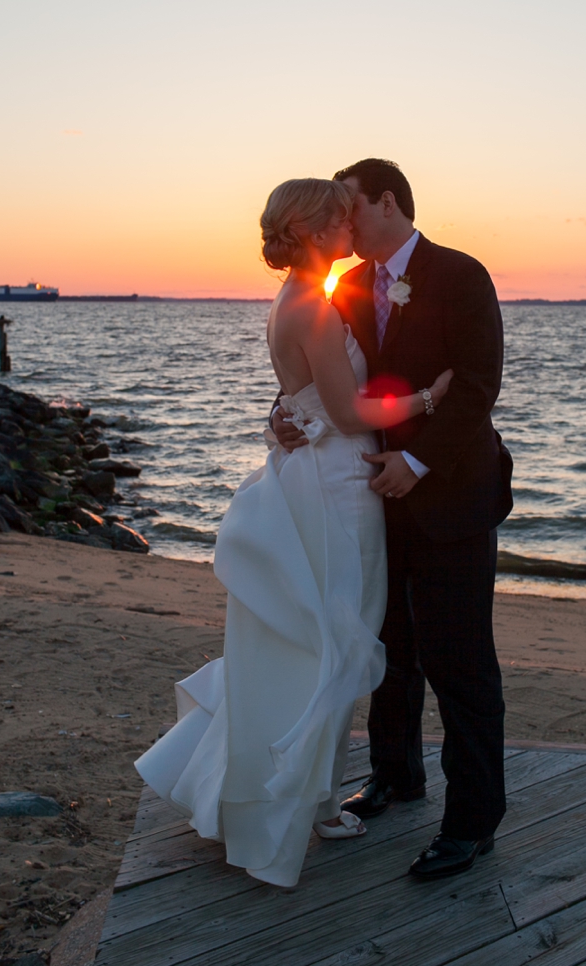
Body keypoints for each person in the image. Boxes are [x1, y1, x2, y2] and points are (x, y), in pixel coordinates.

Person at [135, 177, 452, 889]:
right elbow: (345, 411)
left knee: (320, 640)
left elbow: (300, 399)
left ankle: (304, 794)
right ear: (314, 233)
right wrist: (431, 395)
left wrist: (285, 417)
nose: (350, 229)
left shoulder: (295, 299)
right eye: (340, 220)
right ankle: (306, 802)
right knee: (338, 640)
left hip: (312, 479)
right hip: (338, 489)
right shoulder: (312, 303)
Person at [273, 158, 513, 880]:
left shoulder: (461, 274)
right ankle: (395, 773)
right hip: (368, 493)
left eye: (350, 206)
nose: (342, 223)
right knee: (388, 648)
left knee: (459, 659)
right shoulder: (339, 287)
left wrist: (418, 461)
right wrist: (285, 415)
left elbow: (476, 385)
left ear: (387, 201)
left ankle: (472, 821)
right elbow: (323, 385)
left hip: (451, 494)